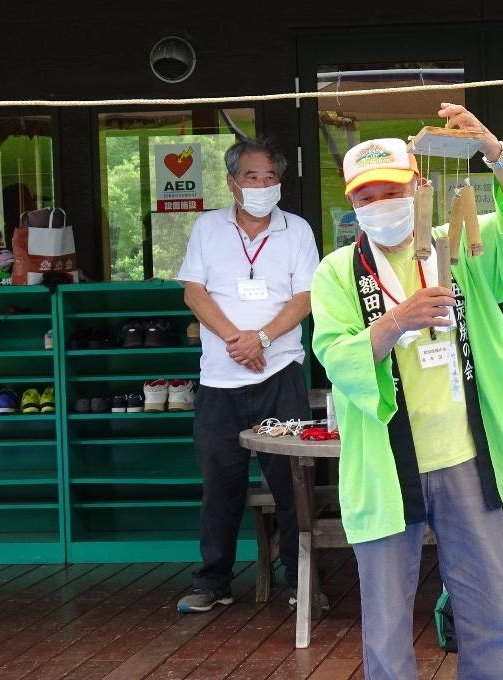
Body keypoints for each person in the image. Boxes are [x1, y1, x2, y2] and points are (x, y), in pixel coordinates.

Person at [311, 104, 503, 679]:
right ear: (352, 204)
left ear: (419, 184)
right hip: (386, 464)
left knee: (486, 604)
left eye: (390, 190)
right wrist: (396, 321)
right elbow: (336, 355)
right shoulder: (337, 272)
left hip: (464, 456)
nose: (379, 205)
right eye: (365, 196)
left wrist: (495, 154)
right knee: (387, 620)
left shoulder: (461, 246)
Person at [175, 136, 320, 613]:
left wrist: (260, 340)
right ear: (232, 182)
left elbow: (305, 298)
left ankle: (300, 580)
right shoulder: (207, 227)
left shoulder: (295, 229)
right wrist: (239, 340)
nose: (262, 185)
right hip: (220, 379)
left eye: (271, 177)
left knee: (292, 484)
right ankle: (211, 582)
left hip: (279, 372)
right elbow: (194, 293)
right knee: (220, 485)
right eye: (252, 176)